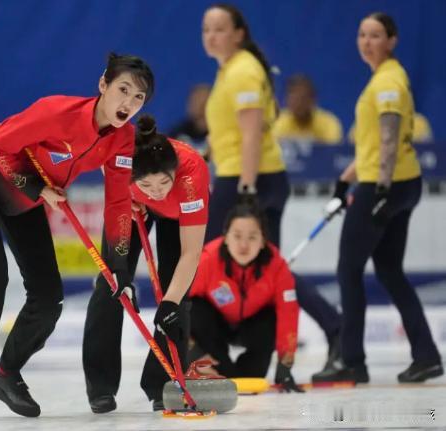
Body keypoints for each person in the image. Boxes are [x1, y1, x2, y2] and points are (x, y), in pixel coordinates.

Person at [0, 53, 154, 421]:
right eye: (123, 90)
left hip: (29, 192)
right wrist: (36, 189)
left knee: (48, 297)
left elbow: (119, 203)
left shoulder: (123, 140)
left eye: (138, 98)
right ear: (103, 85)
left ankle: (6, 374)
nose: (129, 103)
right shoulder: (55, 112)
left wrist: (119, 264)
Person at [201, 3, 341, 374]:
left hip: (252, 179)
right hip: (242, 174)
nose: (210, 36)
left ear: (239, 34)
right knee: (264, 264)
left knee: (229, 260)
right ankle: (329, 325)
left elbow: (250, 135)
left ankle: (219, 347)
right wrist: (205, 156)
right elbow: (230, 131)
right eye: (206, 29)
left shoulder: (243, 71)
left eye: (218, 28)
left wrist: (246, 189)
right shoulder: (230, 70)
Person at [314, 12, 443, 384]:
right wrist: (344, 180)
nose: (367, 42)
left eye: (375, 35)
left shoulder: (388, 81)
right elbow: (373, 146)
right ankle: (427, 355)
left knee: (348, 270)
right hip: (399, 183)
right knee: (389, 271)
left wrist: (381, 190)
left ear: (392, 40)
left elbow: (389, 139)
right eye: (362, 35)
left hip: (386, 186)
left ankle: (351, 360)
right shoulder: (385, 78)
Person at [82, 114, 210, 413]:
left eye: (164, 182)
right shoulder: (121, 161)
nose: (157, 190)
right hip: (130, 207)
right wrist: (127, 192)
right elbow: (104, 162)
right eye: (147, 184)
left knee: (176, 298)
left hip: (177, 215)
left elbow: (191, 253)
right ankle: (100, 386)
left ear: (174, 173)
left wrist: (169, 303)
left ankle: (162, 383)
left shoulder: (191, 175)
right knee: (112, 284)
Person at [189, 199, 303, 392]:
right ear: (225, 237)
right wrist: (193, 353)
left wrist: (285, 365)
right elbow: (179, 308)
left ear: (263, 241)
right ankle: (216, 367)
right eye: (237, 236)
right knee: (194, 309)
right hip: (215, 328)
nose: (243, 245)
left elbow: (288, 314)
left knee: (269, 323)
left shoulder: (278, 267)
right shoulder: (207, 260)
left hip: (254, 326)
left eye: (252, 237)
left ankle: (239, 372)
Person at [273, 74, 343, 145]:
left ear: (313, 99)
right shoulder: (278, 122)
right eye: (295, 99)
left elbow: (334, 151)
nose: (299, 104)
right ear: (287, 100)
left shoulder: (329, 123)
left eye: (303, 98)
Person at [168, 83, 211, 155]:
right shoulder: (177, 133)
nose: (200, 107)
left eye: (204, 102)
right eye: (196, 101)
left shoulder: (220, 133)